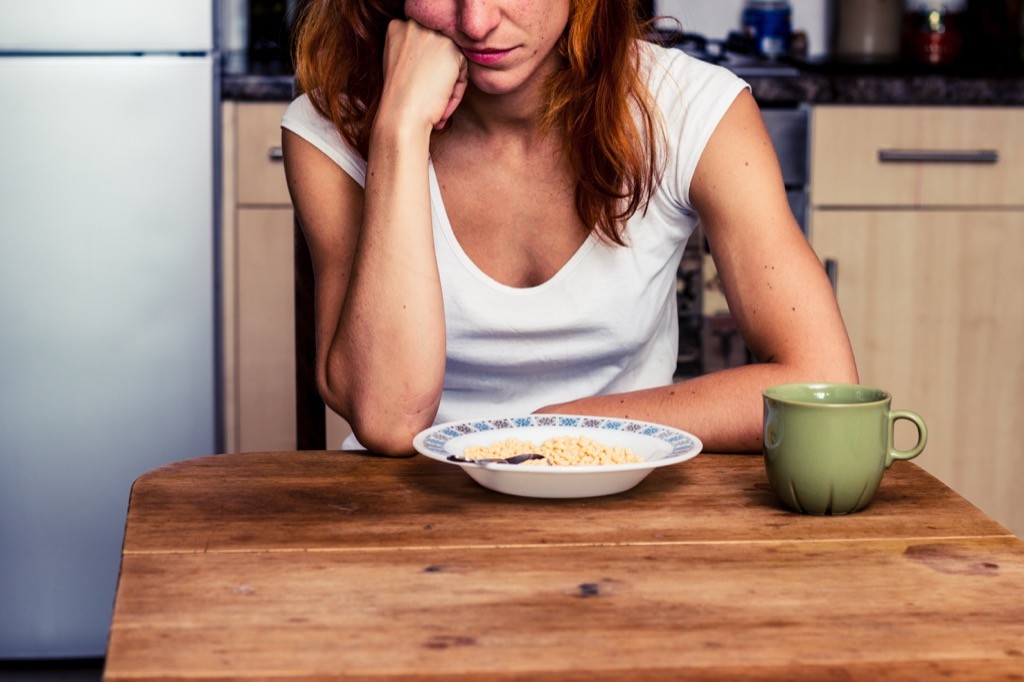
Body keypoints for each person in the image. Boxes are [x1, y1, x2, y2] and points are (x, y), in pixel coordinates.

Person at [281, 0, 858, 456]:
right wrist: (400, 129)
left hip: (617, 493)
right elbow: (387, 420)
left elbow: (820, 379)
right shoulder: (330, 128)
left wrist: (546, 435)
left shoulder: (692, 107)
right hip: (399, 513)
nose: (477, 21)